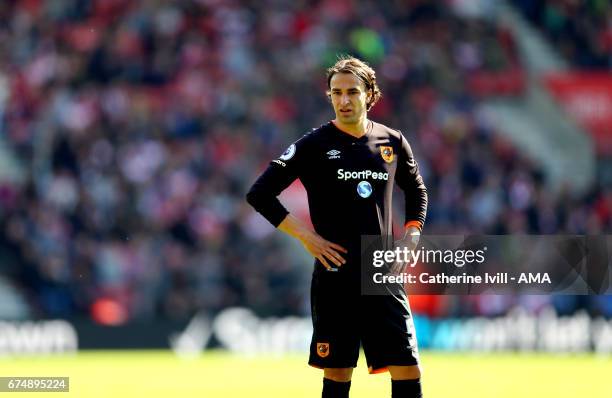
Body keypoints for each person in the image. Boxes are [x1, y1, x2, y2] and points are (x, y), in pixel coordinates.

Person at [246, 56, 428, 398]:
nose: (344, 100)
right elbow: (260, 193)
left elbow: (417, 189)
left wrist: (412, 232)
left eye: (352, 92)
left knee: (408, 367)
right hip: (336, 272)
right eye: (336, 92)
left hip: (381, 272)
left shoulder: (392, 142)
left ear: (370, 94)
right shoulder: (314, 144)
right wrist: (306, 237)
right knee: (340, 371)